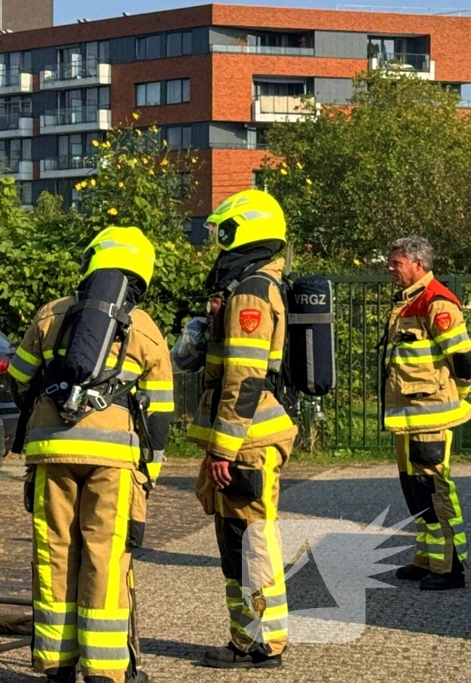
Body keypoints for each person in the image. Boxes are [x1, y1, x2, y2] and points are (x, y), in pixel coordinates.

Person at [7, 226, 172, 683]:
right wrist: (148, 473)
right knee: (105, 555)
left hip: (51, 452)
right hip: (114, 461)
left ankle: (56, 665)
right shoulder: (146, 329)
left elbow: (18, 377)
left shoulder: (51, 314)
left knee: (55, 552)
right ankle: (104, 670)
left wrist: (47, 412)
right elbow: (160, 415)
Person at [187, 189, 297, 669]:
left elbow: (245, 378)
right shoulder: (249, 287)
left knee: (251, 542)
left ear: (245, 231)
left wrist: (224, 449)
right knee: (236, 543)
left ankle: (264, 642)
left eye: (224, 233)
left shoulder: (252, 291)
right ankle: (245, 637)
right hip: (241, 440)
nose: (220, 244)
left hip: (247, 442)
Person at [382, 236, 471, 590]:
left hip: (431, 413)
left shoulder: (437, 301)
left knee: (434, 488)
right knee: (414, 488)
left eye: (395, 263)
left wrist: (460, 398)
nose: (389, 268)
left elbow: (464, 361)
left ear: (418, 265)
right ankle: (428, 557)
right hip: (408, 415)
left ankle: (450, 568)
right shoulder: (409, 300)